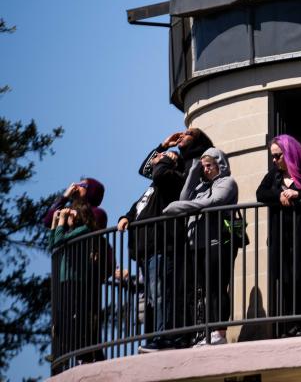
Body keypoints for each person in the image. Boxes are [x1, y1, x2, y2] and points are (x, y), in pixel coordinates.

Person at [120, 128, 213, 352]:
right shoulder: (165, 170)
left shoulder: (189, 166)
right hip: (146, 247)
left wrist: (165, 160)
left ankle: (165, 338)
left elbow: (158, 174)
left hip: (163, 243)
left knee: (163, 295)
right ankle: (159, 336)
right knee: (155, 298)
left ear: (198, 141)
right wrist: (163, 147)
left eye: (188, 133)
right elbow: (146, 169)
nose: (181, 135)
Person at [163, 147, 239, 347]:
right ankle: (209, 331)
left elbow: (213, 202)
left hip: (218, 242)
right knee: (205, 290)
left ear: (219, 164)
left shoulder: (227, 183)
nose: (205, 170)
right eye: (203, 166)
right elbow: (184, 198)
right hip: (197, 244)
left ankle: (219, 331)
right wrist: (193, 172)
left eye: (209, 165)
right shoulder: (200, 186)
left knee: (217, 287)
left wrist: (177, 208)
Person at [256, 134, 301, 338]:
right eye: (273, 156)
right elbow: (260, 194)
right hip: (281, 237)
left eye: (278, 156)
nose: (274, 160)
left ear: (289, 154)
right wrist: (278, 196)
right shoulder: (274, 177)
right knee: (286, 280)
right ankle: (291, 324)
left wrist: (299, 194)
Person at [49, 199, 110, 367]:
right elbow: (52, 244)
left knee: (74, 319)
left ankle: (82, 353)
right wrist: (55, 223)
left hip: (75, 280)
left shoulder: (84, 229)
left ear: (77, 215)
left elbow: (59, 240)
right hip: (65, 280)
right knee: (63, 319)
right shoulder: (72, 232)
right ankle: (71, 352)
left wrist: (61, 222)